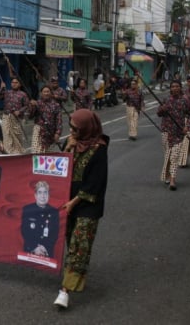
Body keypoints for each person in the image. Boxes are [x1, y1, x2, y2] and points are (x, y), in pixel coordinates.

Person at [54, 109, 109, 309]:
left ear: (86, 127)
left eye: (76, 128)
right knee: (71, 241)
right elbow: (59, 168)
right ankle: (77, 273)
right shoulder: (72, 142)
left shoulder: (99, 149)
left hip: (87, 204)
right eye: (71, 127)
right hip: (67, 199)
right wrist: (68, 148)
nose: (72, 131)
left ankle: (65, 290)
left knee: (79, 243)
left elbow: (95, 184)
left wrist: (73, 202)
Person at [157, 80, 190, 190]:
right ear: (170, 88)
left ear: (180, 88)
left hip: (179, 133)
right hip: (166, 131)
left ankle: (172, 180)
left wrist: (187, 127)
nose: (175, 88)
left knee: (174, 156)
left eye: (177, 86)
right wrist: (163, 109)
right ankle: (167, 175)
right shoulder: (166, 100)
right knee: (168, 156)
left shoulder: (185, 100)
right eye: (173, 86)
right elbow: (158, 113)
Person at [21, 181, 59, 257]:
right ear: (35, 195)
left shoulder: (54, 212)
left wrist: (44, 248)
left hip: (47, 252)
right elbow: (24, 231)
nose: (43, 196)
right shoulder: (27, 209)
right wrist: (35, 247)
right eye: (40, 192)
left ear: (49, 195)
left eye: (45, 193)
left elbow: (55, 234)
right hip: (30, 250)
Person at [0, 78, 29, 154]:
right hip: (6, 116)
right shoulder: (7, 92)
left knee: (17, 136)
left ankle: (18, 153)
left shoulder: (23, 94)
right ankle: (8, 152)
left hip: (17, 118)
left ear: (19, 84)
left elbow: (27, 105)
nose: (14, 84)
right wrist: (1, 88)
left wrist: (19, 111)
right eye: (12, 82)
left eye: (16, 82)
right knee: (6, 134)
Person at [28, 85, 62, 153]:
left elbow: (59, 120)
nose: (46, 93)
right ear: (41, 93)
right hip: (39, 130)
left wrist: (57, 133)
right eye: (44, 92)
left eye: (48, 91)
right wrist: (32, 106)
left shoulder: (56, 105)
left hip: (50, 132)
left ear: (51, 93)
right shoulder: (37, 103)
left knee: (47, 154)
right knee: (36, 152)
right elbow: (30, 116)